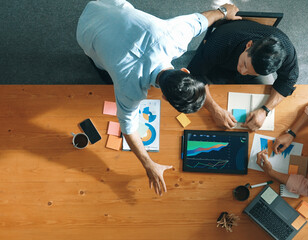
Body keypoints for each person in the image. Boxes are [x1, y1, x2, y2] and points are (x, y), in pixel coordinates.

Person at [76, 0, 241, 196]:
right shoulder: (128, 88)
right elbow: (128, 128)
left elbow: (202, 20)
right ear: (163, 97)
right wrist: (149, 164)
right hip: (86, 34)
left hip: (104, 5)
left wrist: (223, 11)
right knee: (104, 70)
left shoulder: (174, 36)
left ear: (186, 70)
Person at [187, 19, 299, 131]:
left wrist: (265, 110)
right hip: (220, 66)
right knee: (193, 98)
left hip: (252, 74)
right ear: (249, 45)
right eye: (244, 64)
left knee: (265, 105)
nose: (243, 72)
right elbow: (195, 76)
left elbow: (288, 80)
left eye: (249, 71)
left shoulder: (287, 52)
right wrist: (214, 109)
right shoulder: (221, 40)